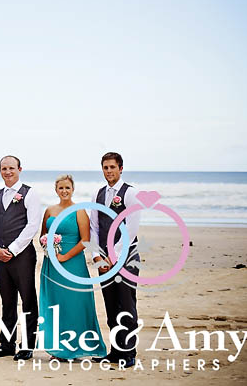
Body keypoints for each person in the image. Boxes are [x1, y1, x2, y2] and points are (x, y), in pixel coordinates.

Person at [38, 174, 107, 361]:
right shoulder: (49, 210)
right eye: (61, 188)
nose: (64, 191)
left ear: (73, 189)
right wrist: (49, 249)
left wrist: (64, 256)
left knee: (74, 304)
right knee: (55, 304)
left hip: (73, 264)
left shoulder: (79, 211)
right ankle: (57, 349)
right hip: (51, 265)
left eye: (67, 187)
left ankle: (76, 348)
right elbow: (43, 236)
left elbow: (85, 240)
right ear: (56, 190)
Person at [0, 155, 43, 360]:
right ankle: (7, 344)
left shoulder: (30, 193)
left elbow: (32, 225)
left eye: (11, 168)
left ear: (19, 169)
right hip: (0, 257)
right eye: (4, 169)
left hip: (22, 256)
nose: (7, 172)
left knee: (28, 300)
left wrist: (13, 249)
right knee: (7, 301)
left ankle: (27, 346)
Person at [90, 152, 141, 367]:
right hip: (104, 259)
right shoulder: (98, 194)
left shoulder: (131, 193)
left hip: (126, 257)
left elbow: (132, 228)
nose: (109, 171)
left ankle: (128, 353)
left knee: (126, 305)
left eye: (112, 167)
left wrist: (114, 255)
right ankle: (115, 351)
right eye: (105, 167)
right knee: (111, 306)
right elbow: (94, 226)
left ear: (120, 168)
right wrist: (96, 254)